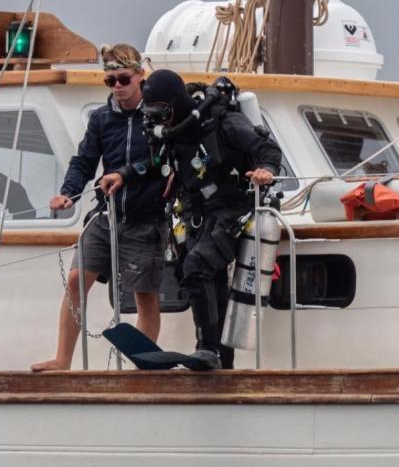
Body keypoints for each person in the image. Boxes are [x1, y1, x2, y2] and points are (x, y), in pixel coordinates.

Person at [102, 70, 282, 370]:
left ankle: (206, 347)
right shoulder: (169, 132)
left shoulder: (221, 121)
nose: (161, 121)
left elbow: (266, 147)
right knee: (210, 281)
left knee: (196, 268)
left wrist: (266, 169)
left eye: (164, 112)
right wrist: (124, 174)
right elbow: (155, 162)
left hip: (230, 210)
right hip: (194, 213)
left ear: (176, 103)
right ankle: (222, 361)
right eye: (154, 113)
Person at [30, 43, 168, 372]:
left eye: (123, 79)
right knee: (76, 279)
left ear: (139, 75)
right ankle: (63, 359)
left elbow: (160, 160)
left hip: (145, 217)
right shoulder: (102, 118)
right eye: (110, 81)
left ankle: (144, 366)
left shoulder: (159, 115)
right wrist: (68, 193)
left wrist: (124, 174)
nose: (117, 87)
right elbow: (84, 160)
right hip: (106, 215)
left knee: (144, 295)